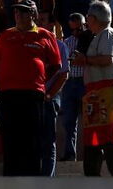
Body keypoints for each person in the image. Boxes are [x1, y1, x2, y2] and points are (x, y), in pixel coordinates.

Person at [0, 0, 63, 176]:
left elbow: (56, 65)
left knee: (32, 138)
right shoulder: (4, 36)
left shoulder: (45, 35)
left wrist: (40, 78)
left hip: (33, 94)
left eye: (23, 11)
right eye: (16, 11)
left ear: (33, 14)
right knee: (10, 137)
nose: (18, 15)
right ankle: (10, 179)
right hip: (8, 94)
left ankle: (31, 180)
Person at [73, 0, 113, 176]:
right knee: (93, 135)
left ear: (94, 18)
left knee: (110, 133)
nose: (86, 20)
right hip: (95, 91)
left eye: (88, 17)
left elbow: (107, 59)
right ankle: (92, 175)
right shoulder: (97, 36)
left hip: (107, 89)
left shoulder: (108, 33)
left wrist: (85, 60)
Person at [38, 10, 69, 177]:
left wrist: (49, 95)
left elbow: (63, 75)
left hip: (50, 98)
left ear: (51, 24)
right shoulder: (33, 43)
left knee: (48, 140)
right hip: (33, 97)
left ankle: (47, 178)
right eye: (37, 20)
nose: (39, 23)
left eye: (42, 20)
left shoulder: (60, 46)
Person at [60, 12, 88, 162]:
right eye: (73, 29)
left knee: (90, 120)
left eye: (79, 29)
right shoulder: (67, 42)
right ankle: (70, 154)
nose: (76, 32)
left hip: (85, 82)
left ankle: (91, 154)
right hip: (70, 82)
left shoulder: (91, 40)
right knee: (69, 121)